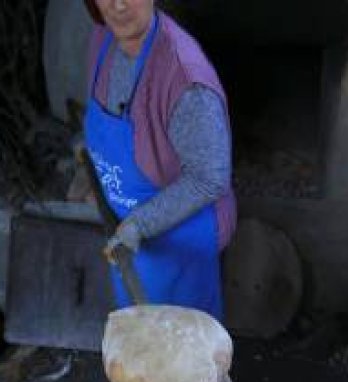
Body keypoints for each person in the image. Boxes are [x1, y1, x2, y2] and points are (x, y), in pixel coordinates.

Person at [83, 0, 236, 319]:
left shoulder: (185, 80)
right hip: (128, 235)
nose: (118, 5)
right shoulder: (103, 36)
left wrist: (140, 224)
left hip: (181, 241)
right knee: (140, 347)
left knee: (185, 356)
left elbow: (209, 178)